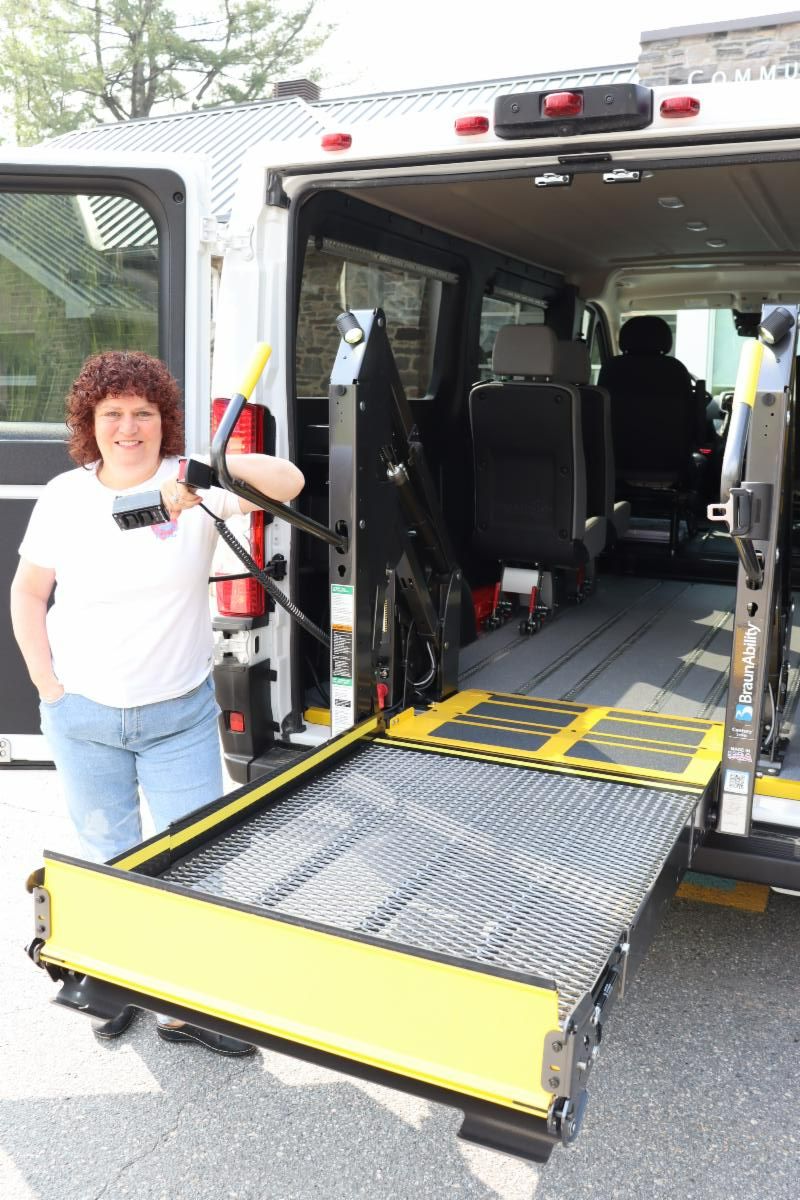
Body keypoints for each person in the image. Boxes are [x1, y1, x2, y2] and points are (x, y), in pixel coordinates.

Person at [10, 350, 304, 1055]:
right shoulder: (65, 496)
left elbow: (289, 483)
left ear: (162, 421)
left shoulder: (189, 483)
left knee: (192, 858)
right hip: (84, 714)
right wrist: (49, 688)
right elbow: (28, 592)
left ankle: (183, 1006)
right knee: (109, 855)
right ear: (90, 422)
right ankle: (118, 984)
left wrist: (208, 470)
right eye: (112, 414)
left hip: (178, 714)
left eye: (143, 413)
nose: (128, 427)